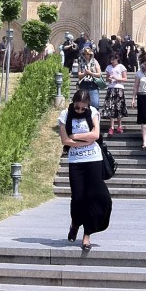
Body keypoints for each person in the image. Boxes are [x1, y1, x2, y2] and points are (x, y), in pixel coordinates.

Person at [57, 89, 112, 251]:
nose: (80, 110)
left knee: (99, 197)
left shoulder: (93, 112)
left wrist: (75, 137)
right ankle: (75, 223)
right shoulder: (64, 115)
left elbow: (95, 135)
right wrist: (81, 140)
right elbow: (64, 140)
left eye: (83, 108)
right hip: (76, 161)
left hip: (93, 159)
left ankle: (87, 234)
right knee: (78, 198)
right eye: (77, 107)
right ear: (73, 103)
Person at [103, 52, 128, 134]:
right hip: (111, 88)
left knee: (119, 107)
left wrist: (117, 78)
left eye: (113, 59)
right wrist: (109, 79)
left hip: (119, 88)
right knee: (110, 107)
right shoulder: (108, 67)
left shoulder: (121, 67)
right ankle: (111, 126)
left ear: (117, 59)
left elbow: (125, 78)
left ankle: (119, 125)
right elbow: (106, 78)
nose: (112, 61)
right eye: (111, 59)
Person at [77, 46, 103, 111]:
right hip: (83, 84)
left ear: (91, 54)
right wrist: (85, 73)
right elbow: (79, 75)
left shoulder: (94, 61)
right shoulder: (80, 61)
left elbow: (99, 74)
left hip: (93, 84)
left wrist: (91, 73)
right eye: (84, 54)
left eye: (88, 54)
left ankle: (95, 119)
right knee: (83, 104)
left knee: (95, 104)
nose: (86, 55)